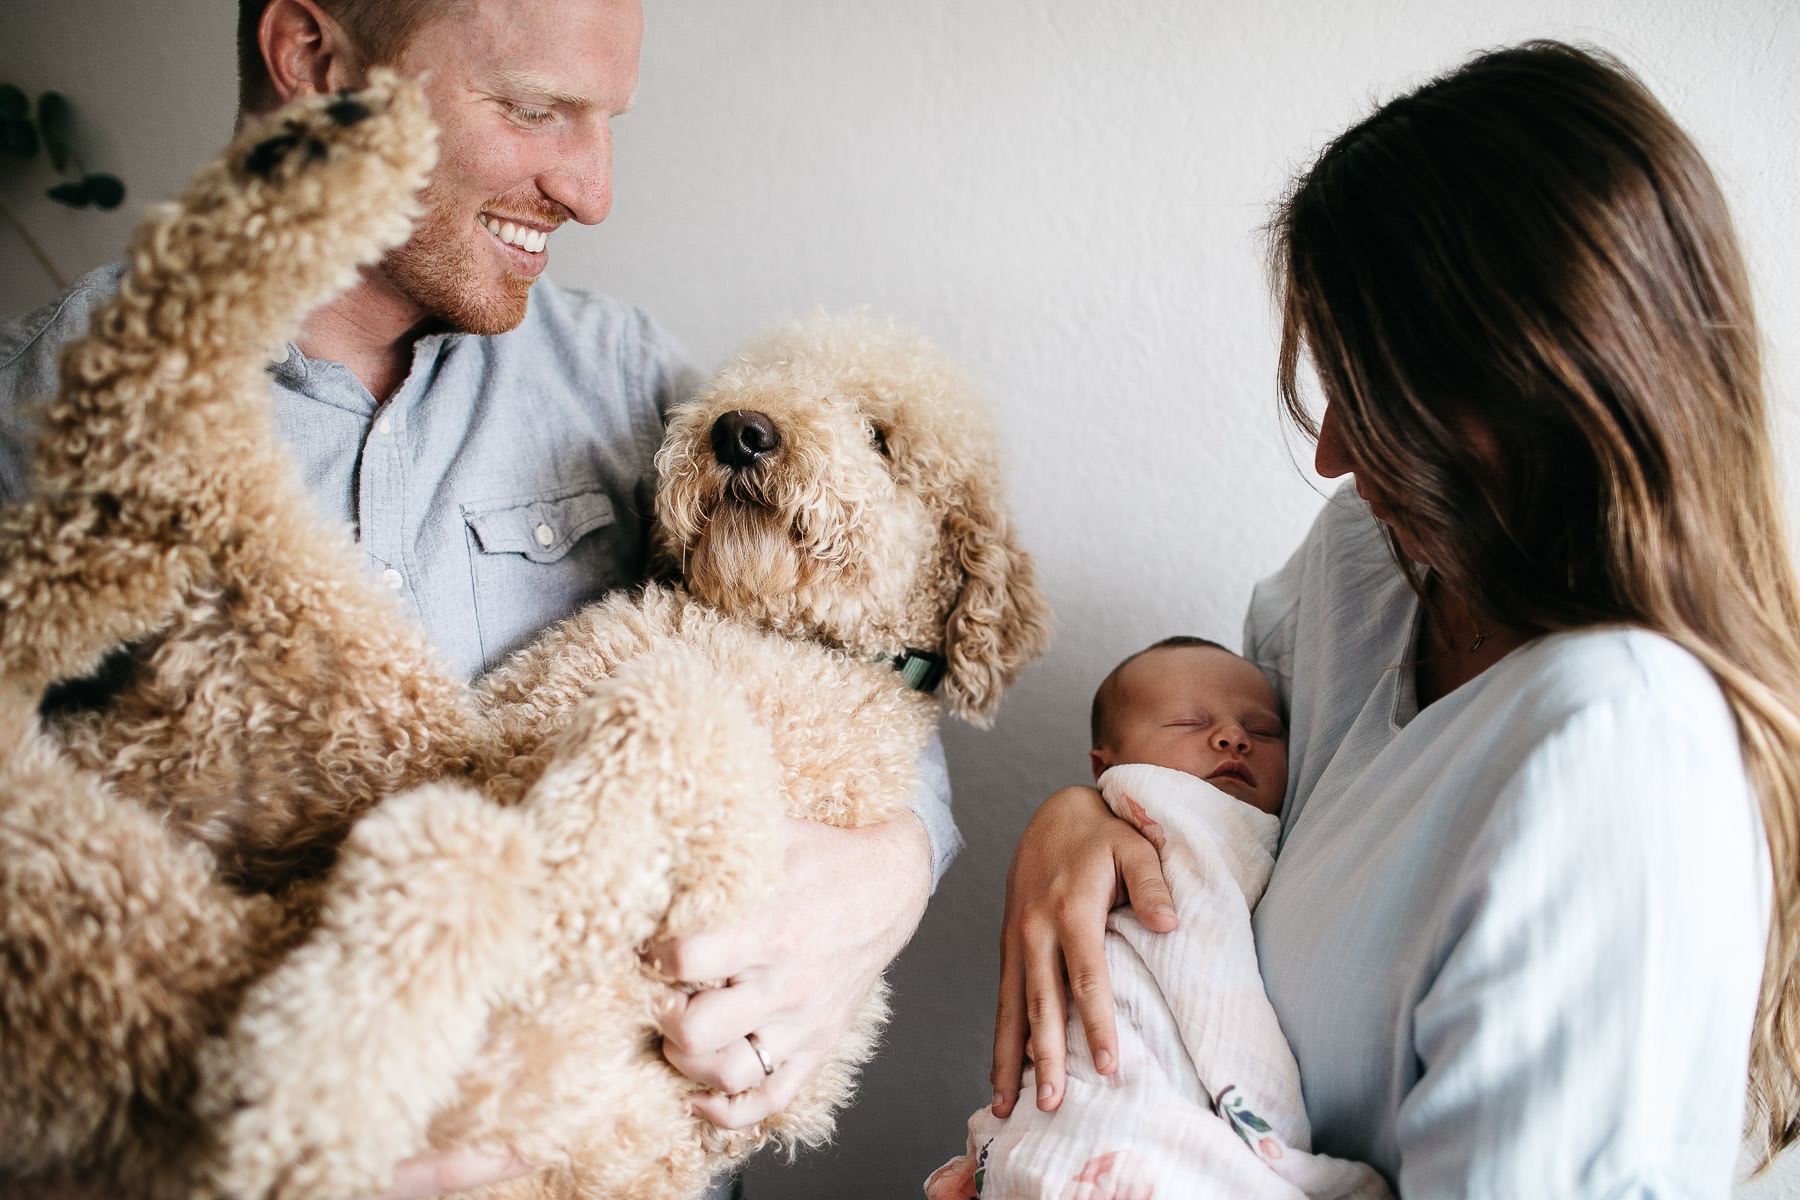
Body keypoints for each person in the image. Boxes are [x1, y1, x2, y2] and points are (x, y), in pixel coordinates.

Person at [0, 1, 957, 1196]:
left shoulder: (630, 383)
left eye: (606, 122)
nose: (592, 192)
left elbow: (861, 653)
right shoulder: (45, 412)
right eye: (537, 109)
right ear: (313, 61)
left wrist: (890, 872)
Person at [991, 41, 1800, 1197]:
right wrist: (1082, 817)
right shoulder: (1363, 565)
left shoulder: (1618, 744)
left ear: (1529, 390)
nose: (1329, 452)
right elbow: (1229, 806)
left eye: (1369, 394)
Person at [927, 638, 1387, 1199]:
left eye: (1264, 731)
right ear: (1107, 766)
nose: (1233, 737)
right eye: (1189, 722)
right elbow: (1212, 980)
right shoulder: (1159, 815)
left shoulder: (1290, 846)